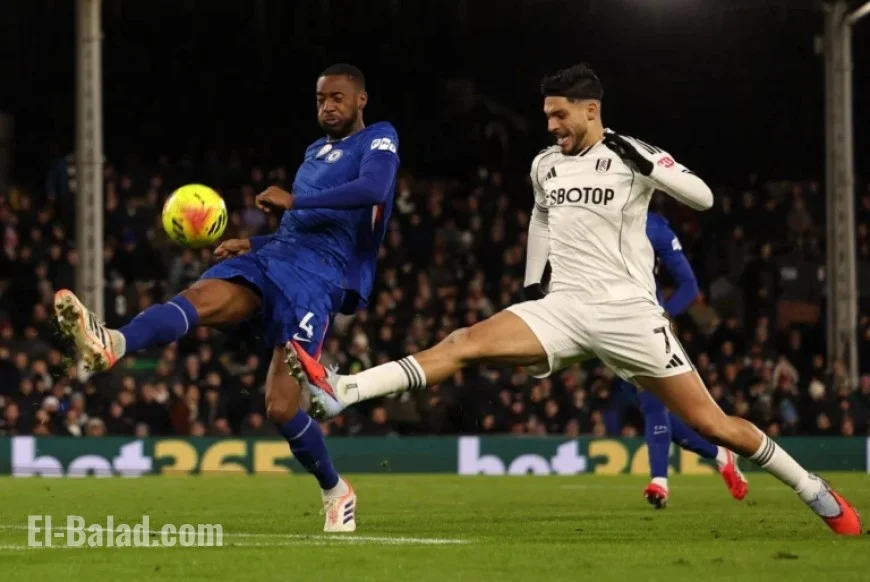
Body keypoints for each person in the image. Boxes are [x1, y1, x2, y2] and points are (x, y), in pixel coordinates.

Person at [289, 64, 861, 535]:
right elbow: (541, 216)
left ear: (591, 110)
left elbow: (705, 197)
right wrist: (534, 282)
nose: (553, 125)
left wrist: (645, 162)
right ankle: (342, 392)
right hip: (562, 308)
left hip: (630, 315)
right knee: (463, 342)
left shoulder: (631, 155)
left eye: (560, 114)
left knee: (714, 426)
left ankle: (814, 490)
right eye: (547, 116)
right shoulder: (545, 165)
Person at [53, 63, 400, 533]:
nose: (328, 107)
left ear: (360, 100)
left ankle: (336, 490)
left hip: (321, 278)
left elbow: (373, 190)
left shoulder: (379, 138)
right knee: (199, 296)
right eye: (320, 99)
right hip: (275, 257)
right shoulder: (314, 151)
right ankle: (113, 343)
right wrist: (254, 243)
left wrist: (294, 202)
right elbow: (300, 229)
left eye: (337, 97)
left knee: (280, 407)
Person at [627, 212, 746, 508]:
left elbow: (689, 286)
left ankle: (659, 482)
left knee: (653, 403)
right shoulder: (597, 217)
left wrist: (665, 314)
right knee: (658, 409)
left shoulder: (654, 227)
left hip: (647, 327)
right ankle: (720, 455)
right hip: (615, 326)